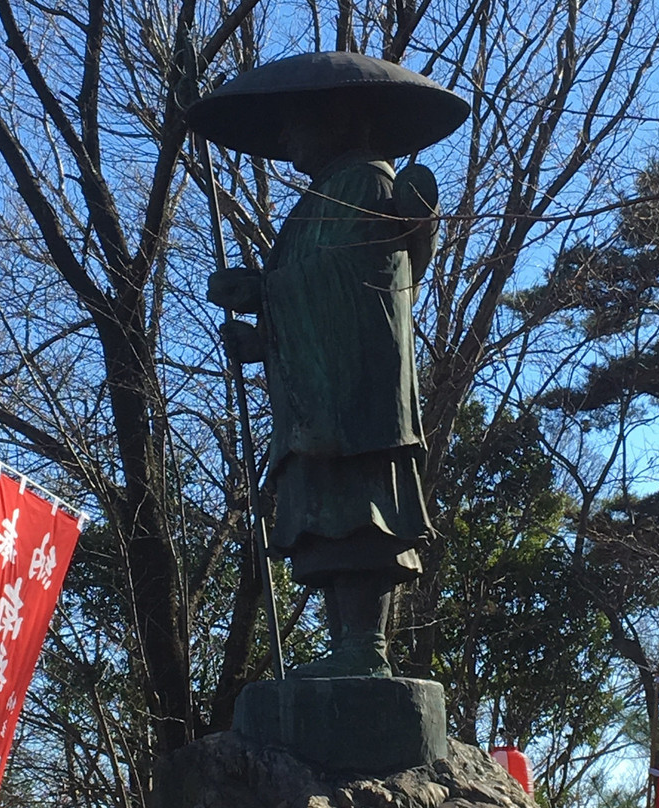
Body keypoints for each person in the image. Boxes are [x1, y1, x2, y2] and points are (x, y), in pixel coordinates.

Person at [187, 52, 469, 677]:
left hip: (357, 399)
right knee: (323, 519)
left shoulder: (365, 182)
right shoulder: (324, 194)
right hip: (321, 394)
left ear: (336, 118)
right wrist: (266, 338)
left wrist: (266, 293)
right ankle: (345, 644)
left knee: (359, 513)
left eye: (295, 124)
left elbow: (349, 283)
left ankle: (364, 646)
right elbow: (314, 295)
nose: (284, 139)